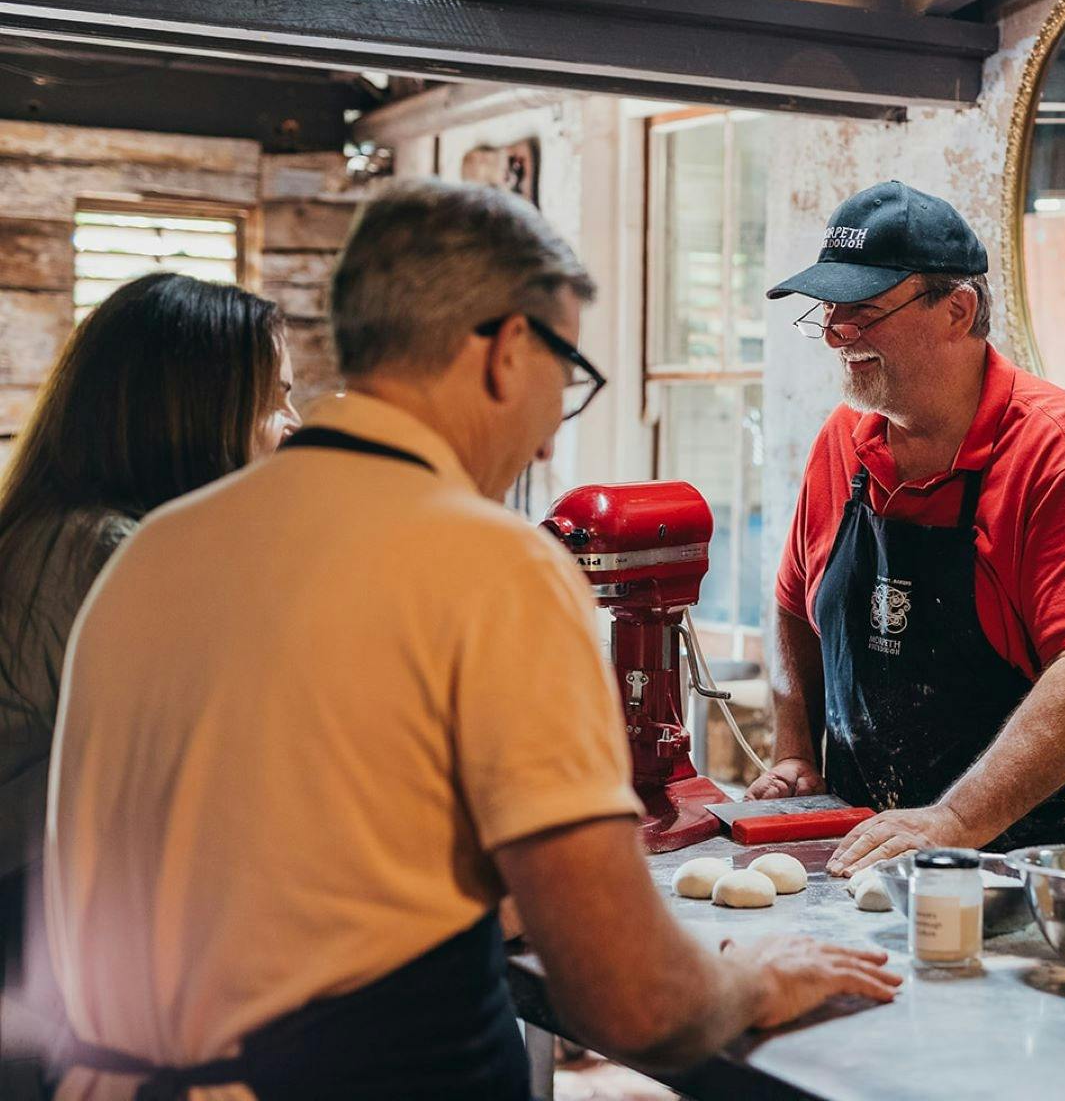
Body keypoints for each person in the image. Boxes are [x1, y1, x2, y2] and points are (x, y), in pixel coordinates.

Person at [45, 180, 897, 1101]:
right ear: (504, 352)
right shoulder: (487, 565)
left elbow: (277, 863)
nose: (543, 446)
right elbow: (636, 998)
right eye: (565, 376)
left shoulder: (156, 549)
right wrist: (759, 977)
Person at [748, 180, 1065, 876]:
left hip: (1060, 859)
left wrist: (954, 821)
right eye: (827, 310)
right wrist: (794, 749)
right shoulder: (841, 440)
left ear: (957, 310)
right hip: (883, 854)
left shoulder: (1063, 454)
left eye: (861, 311)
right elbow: (789, 605)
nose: (835, 333)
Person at [0, 273, 299, 1098]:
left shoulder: (57, 527)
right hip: (47, 978)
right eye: (275, 399)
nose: (294, 425)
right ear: (192, 412)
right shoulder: (113, 553)